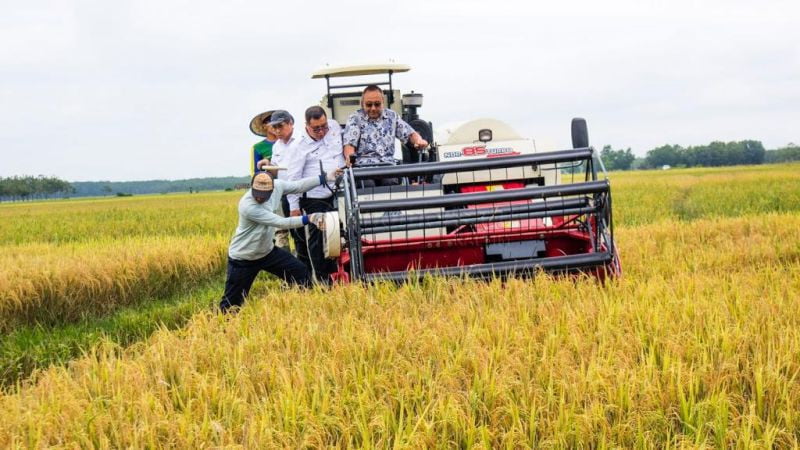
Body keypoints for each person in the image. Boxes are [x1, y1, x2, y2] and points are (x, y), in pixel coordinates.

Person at [219, 170, 339, 313]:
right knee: (231, 304)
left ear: (272, 189)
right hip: (244, 258)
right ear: (251, 187)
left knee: (300, 273)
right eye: (257, 193)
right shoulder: (248, 207)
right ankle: (221, 327)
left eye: (264, 195)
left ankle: (301, 310)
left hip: (267, 252)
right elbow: (281, 222)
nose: (259, 198)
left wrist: (323, 178)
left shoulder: (278, 186)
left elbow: (298, 186)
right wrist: (310, 218)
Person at [284, 106, 345, 283]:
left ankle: (343, 272)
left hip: (338, 192)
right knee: (318, 238)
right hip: (313, 197)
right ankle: (323, 279)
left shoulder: (333, 127)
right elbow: (293, 178)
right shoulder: (299, 147)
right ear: (306, 127)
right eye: (316, 129)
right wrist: (294, 207)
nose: (321, 131)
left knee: (342, 234)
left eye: (323, 126)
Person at [342, 85, 429, 187]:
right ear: (362, 104)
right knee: (367, 184)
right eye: (369, 105)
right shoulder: (355, 119)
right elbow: (349, 146)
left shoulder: (392, 116)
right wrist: (349, 158)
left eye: (377, 104)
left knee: (390, 183)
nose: (373, 108)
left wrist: (419, 140)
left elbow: (410, 134)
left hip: (387, 165)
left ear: (383, 103)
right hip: (364, 167)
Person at [249, 110, 290, 249]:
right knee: (280, 229)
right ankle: (284, 266)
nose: (273, 126)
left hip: (291, 187)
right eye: (268, 122)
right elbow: (256, 172)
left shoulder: (287, 142)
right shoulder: (258, 148)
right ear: (264, 126)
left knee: (297, 227)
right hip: (273, 191)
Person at [248, 110, 278, 176]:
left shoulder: (286, 143)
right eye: (271, 122)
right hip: (269, 183)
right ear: (264, 126)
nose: (274, 125)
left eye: (276, 122)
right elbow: (255, 172)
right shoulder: (257, 147)